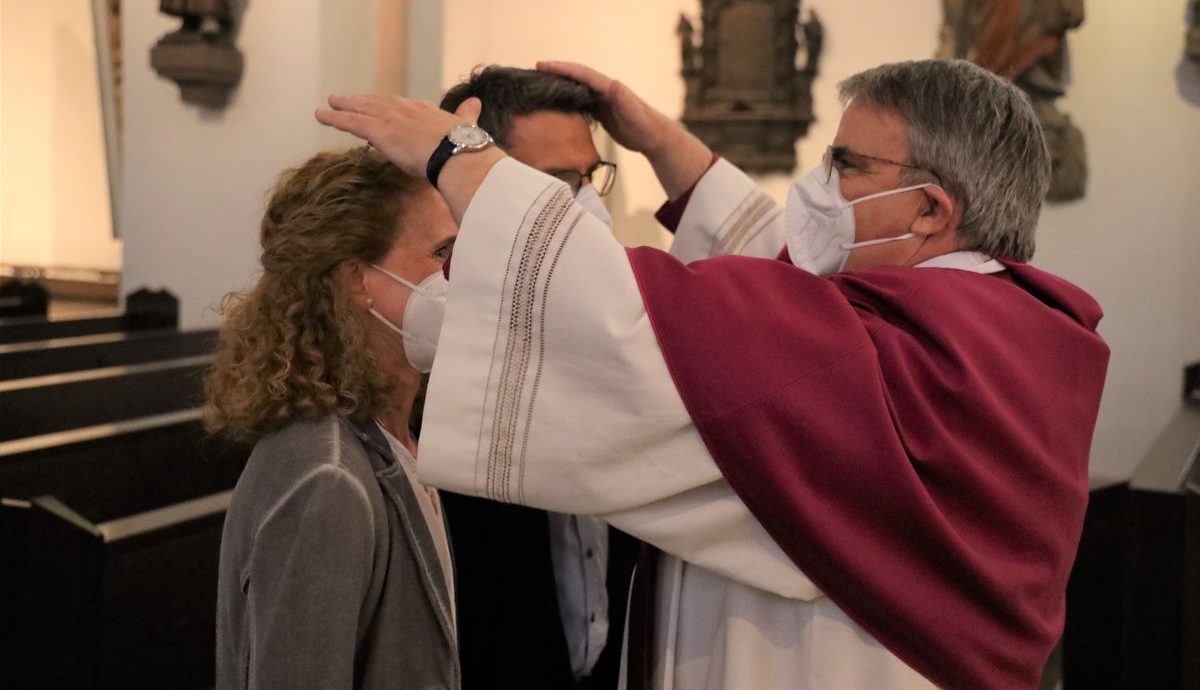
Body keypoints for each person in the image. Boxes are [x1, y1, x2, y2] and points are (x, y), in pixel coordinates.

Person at [316, 58, 1109, 690]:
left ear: (931, 210)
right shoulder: (994, 328)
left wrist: (460, 160)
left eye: (847, 164)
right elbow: (769, 310)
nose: (819, 185)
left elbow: (637, 326)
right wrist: (667, 146)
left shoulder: (874, 345)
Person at [206, 146, 460, 689]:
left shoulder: (394, 434)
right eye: (443, 253)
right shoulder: (326, 479)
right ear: (356, 278)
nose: (461, 276)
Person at [435, 66, 639, 690]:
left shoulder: (622, 338)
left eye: (590, 178)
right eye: (557, 184)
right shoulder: (436, 361)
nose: (587, 208)